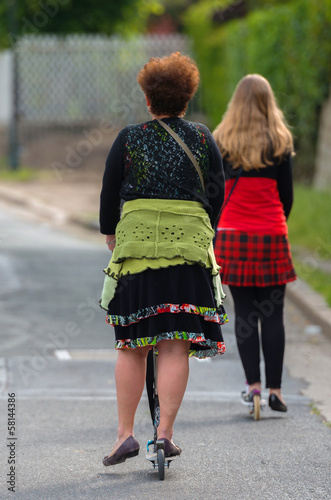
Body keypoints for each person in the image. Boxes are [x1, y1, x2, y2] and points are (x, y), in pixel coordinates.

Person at [99, 52, 228, 466]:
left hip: (136, 252)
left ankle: (124, 436)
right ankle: (164, 436)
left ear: (149, 99)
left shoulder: (129, 138)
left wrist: (111, 235)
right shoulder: (203, 138)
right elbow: (216, 196)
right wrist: (197, 231)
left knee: (131, 346)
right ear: (187, 96)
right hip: (188, 250)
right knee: (174, 346)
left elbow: (108, 192)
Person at [213, 74, 296, 413]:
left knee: (245, 313)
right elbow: (287, 197)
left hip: (232, 236)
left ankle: (254, 388)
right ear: (268, 102)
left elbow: (215, 194)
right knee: (273, 314)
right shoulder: (280, 140)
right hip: (271, 234)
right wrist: (273, 223)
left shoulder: (222, 140)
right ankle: (276, 389)